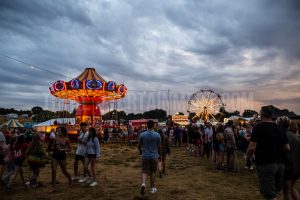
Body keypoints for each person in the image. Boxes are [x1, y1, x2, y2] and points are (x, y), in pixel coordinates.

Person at [246, 106, 290, 200]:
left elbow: (252, 148)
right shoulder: (280, 128)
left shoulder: (258, 128)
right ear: (272, 115)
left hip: (266, 164)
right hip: (280, 165)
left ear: (261, 114)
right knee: (274, 193)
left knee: (270, 195)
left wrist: (248, 159)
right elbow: (287, 147)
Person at [276, 117, 300, 200]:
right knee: (292, 188)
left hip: (288, 167)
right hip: (297, 167)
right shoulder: (295, 136)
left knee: (286, 191)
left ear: (279, 124)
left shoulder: (281, 136)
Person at [138, 120, 161, 195]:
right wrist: (159, 154)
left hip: (145, 156)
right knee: (153, 172)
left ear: (147, 125)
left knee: (144, 171)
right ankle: (152, 188)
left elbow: (139, 145)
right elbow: (159, 146)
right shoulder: (157, 135)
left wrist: (140, 152)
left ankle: (143, 184)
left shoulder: (142, 135)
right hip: (154, 156)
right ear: (153, 125)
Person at [50, 126, 72, 192]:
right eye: (57, 130)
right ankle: (53, 186)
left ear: (63, 131)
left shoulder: (66, 139)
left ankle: (70, 179)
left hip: (62, 156)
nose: (58, 131)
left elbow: (70, 149)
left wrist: (63, 149)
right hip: (55, 155)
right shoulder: (55, 138)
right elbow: (51, 147)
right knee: (53, 170)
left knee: (64, 171)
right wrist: (55, 147)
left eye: (59, 130)